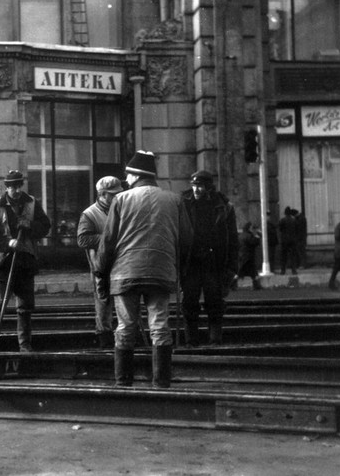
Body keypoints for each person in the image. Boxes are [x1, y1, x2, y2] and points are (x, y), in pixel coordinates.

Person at [96, 151, 192, 388]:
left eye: (127, 175)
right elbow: (187, 240)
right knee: (160, 325)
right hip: (161, 272)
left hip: (125, 273)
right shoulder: (175, 200)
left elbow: (108, 241)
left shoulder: (120, 200)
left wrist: (101, 270)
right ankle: (161, 382)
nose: (126, 180)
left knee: (126, 326)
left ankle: (123, 382)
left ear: (136, 175)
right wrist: (178, 269)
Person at [0, 170, 51, 352]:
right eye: (12, 187)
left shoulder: (32, 203)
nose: (16, 190)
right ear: (7, 187)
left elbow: (45, 227)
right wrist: (7, 243)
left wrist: (31, 226)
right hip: (2, 264)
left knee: (25, 308)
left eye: (19, 186)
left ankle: (25, 346)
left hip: (25, 263)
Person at [180, 170, 238, 347]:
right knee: (189, 302)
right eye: (194, 185)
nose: (196, 189)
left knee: (215, 302)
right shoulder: (183, 203)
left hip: (214, 262)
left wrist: (232, 268)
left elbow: (233, 240)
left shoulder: (223, 206)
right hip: (191, 262)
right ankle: (191, 340)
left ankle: (215, 339)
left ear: (209, 187)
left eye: (200, 186)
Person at [77, 175, 124, 349]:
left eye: (118, 193)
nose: (117, 197)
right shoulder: (89, 214)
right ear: (102, 194)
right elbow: (83, 240)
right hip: (100, 265)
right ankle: (104, 339)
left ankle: (123, 337)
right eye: (113, 194)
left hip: (121, 261)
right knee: (103, 301)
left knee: (123, 298)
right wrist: (108, 239)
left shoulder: (122, 207)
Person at [237, 221, 262, 290]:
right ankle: (256, 285)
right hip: (249, 257)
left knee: (240, 272)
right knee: (253, 272)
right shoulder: (249, 236)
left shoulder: (241, 235)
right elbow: (254, 243)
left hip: (242, 256)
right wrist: (257, 235)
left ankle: (232, 285)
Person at [328, 209, 340, 291]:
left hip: (338, 250)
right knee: (337, 267)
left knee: (336, 267)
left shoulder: (339, 225)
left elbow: (337, 236)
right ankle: (331, 283)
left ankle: (331, 283)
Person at [278, 206, 298, 275]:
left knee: (284, 256)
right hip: (292, 240)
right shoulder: (294, 220)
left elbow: (280, 229)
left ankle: (283, 270)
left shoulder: (282, 220)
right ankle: (294, 270)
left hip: (284, 240)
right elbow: (296, 229)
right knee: (293, 256)